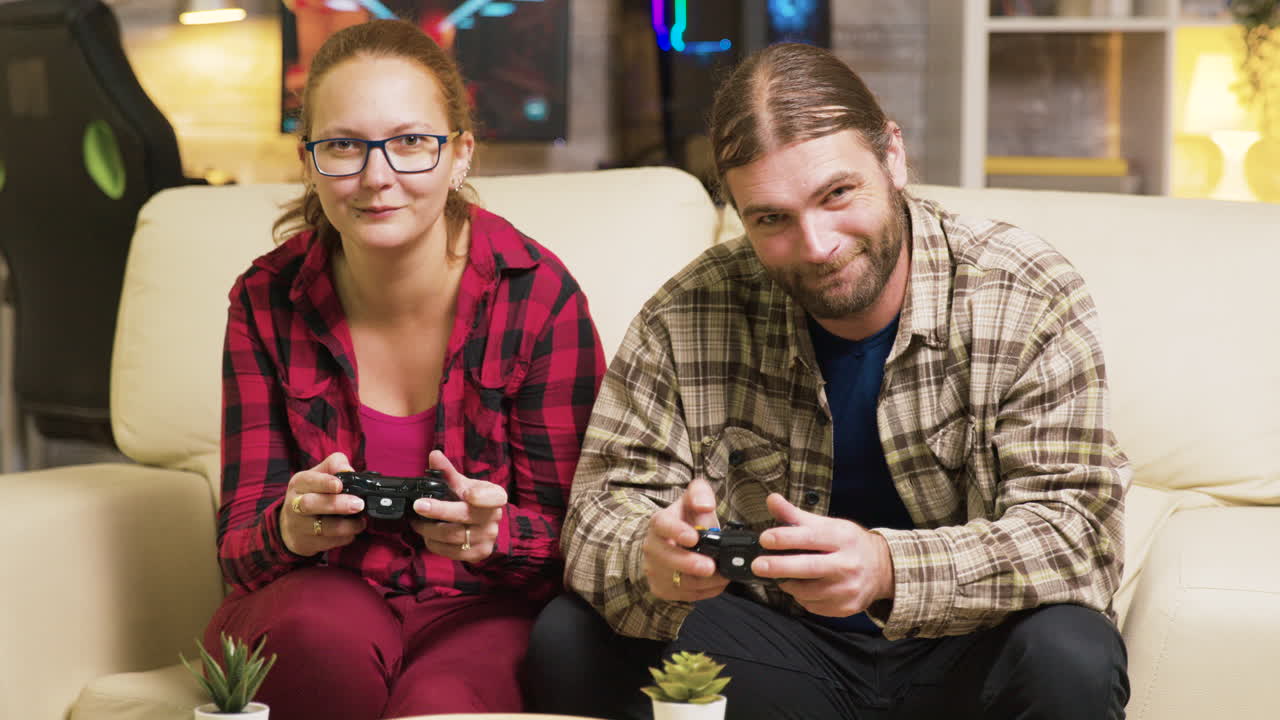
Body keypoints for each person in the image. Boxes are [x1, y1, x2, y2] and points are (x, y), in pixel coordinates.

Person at [528, 43, 1129, 719]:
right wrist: (654, 558)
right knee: (568, 639)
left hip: (968, 652)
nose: (816, 245)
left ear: (893, 156)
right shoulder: (686, 313)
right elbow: (596, 522)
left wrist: (884, 567)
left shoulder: (1024, 290)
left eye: (837, 194)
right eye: (771, 219)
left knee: (1071, 651)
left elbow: (1079, 534)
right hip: (784, 656)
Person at [204, 19, 606, 720]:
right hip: (320, 599)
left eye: (412, 142)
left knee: (439, 702)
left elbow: (589, 541)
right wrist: (290, 529)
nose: (376, 176)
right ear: (309, 160)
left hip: (483, 608)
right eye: (343, 146)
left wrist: (494, 535)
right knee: (320, 641)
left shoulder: (537, 296)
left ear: (461, 156)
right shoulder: (266, 298)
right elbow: (240, 547)